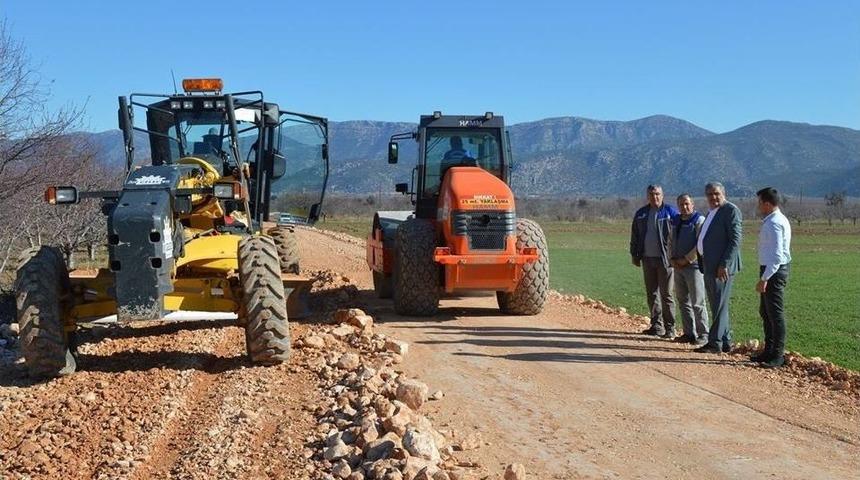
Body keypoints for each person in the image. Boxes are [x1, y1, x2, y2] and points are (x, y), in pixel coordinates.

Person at [695, 182, 742, 354]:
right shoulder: (712, 212)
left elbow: (735, 240)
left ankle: (715, 343)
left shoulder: (730, 210)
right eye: (709, 194)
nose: (713, 197)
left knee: (720, 305)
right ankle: (725, 340)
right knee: (717, 305)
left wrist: (724, 264)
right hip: (709, 265)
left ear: (723, 193)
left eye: (716, 193)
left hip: (721, 268)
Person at [629, 184, 679, 338]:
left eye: (657, 194)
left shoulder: (670, 212)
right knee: (652, 294)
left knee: (667, 295)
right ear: (647, 196)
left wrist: (676, 256)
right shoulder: (641, 214)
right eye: (651, 194)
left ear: (662, 195)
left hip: (665, 260)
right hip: (647, 258)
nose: (654, 197)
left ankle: (670, 328)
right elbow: (635, 236)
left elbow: (679, 235)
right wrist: (634, 255)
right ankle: (656, 326)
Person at [752, 187, 792, 368]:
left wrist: (765, 278)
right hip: (771, 270)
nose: (758, 206)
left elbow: (777, 256)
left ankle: (777, 355)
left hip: (774, 271)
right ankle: (768, 351)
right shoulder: (773, 220)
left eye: (760, 202)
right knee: (766, 312)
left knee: (775, 314)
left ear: (767, 204)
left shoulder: (775, 223)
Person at [670, 194, 709, 345]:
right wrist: (671, 259)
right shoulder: (675, 221)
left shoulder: (699, 220)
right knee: (683, 301)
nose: (684, 207)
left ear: (692, 204)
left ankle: (704, 335)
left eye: (687, 204)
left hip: (694, 267)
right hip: (677, 266)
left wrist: (686, 259)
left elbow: (701, 244)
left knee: (698, 302)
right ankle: (688, 333)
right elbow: (670, 240)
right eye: (681, 204)